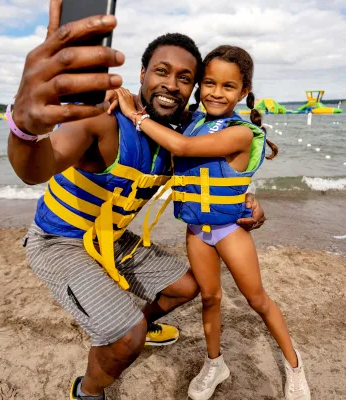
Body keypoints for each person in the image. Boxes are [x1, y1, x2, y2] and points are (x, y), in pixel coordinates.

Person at [7, 2, 266, 399]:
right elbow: (34, 169)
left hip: (108, 238)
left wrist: (248, 198)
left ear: (192, 90)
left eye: (185, 78)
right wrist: (23, 129)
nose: (171, 84)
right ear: (143, 74)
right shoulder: (105, 122)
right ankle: (88, 390)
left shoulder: (181, 136)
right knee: (127, 338)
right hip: (59, 240)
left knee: (185, 286)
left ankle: (136, 325)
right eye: (161, 71)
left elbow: (220, 167)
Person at [114, 45, 311, 400]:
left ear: (244, 91)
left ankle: (294, 365)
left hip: (229, 230)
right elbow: (164, 117)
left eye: (228, 86)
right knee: (210, 298)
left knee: (257, 300)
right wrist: (122, 100)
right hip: (196, 232)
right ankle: (215, 362)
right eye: (209, 83)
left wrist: (136, 117)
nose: (216, 93)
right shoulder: (192, 121)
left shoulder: (241, 133)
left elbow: (184, 149)